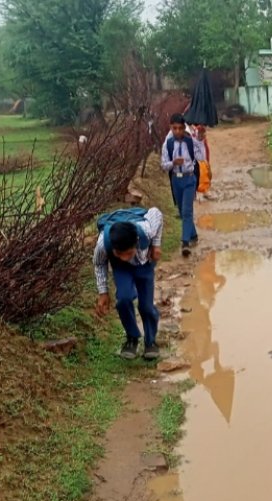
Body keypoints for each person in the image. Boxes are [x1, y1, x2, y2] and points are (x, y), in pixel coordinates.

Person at [94, 208, 163, 361]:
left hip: (145, 265)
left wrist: (156, 245)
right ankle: (132, 339)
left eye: (128, 253)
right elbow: (99, 264)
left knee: (146, 306)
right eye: (120, 253)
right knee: (123, 299)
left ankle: (150, 342)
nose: (125, 257)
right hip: (121, 269)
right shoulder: (103, 243)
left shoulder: (146, 229)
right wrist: (103, 292)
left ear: (136, 242)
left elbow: (156, 212)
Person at [161, 113, 198, 257]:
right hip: (176, 180)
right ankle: (193, 235)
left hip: (189, 179)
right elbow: (163, 165)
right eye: (174, 128)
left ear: (184, 128)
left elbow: (200, 157)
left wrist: (200, 139)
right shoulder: (168, 144)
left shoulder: (190, 141)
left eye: (180, 128)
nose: (177, 131)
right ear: (171, 128)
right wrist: (173, 163)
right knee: (182, 211)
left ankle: (185, 242)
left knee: (187, 211)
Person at [193, 124, 212, 201]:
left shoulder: (204, 140)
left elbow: (206, 151)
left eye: (203, 133)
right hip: (195, 162)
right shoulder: (192, 139)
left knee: (206, 176)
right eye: (200, 133)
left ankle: (205, 191)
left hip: (203, 162)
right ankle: (194, 193)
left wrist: (207, 161)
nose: (202, 135)